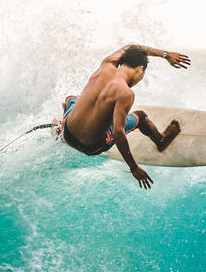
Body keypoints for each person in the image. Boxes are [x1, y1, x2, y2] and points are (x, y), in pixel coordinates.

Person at [61, 44, 190, 189]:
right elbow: (118, 132)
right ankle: (161, 141)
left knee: (72, 99)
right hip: (90, 146)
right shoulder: (125, 93)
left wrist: (165, 54)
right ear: (139, 69)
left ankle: (61, 129)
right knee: (140, 117)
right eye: (142, 74)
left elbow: (131, 46)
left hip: (67, 132)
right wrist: (134, 168)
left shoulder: (107, 63)